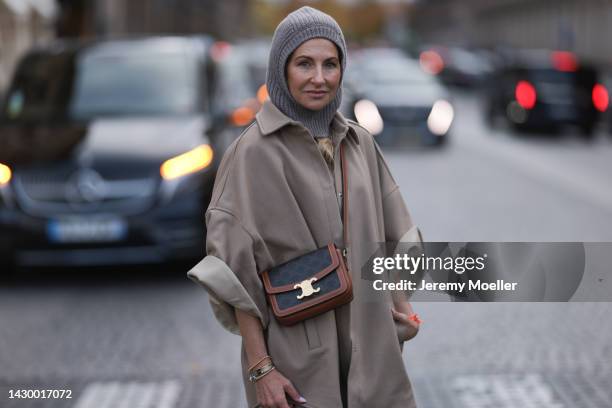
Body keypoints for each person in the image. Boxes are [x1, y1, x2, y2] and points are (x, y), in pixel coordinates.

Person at [188, 6, 422, 408]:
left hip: (371, 349)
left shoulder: (360, 143)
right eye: (304, 64)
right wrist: (262, 368)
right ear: (282, 69)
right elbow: (234, 274)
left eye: (330, 64)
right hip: (295, 358)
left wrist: (399, 309)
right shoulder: (250, 154)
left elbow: (395, 231)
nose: (319, 78)